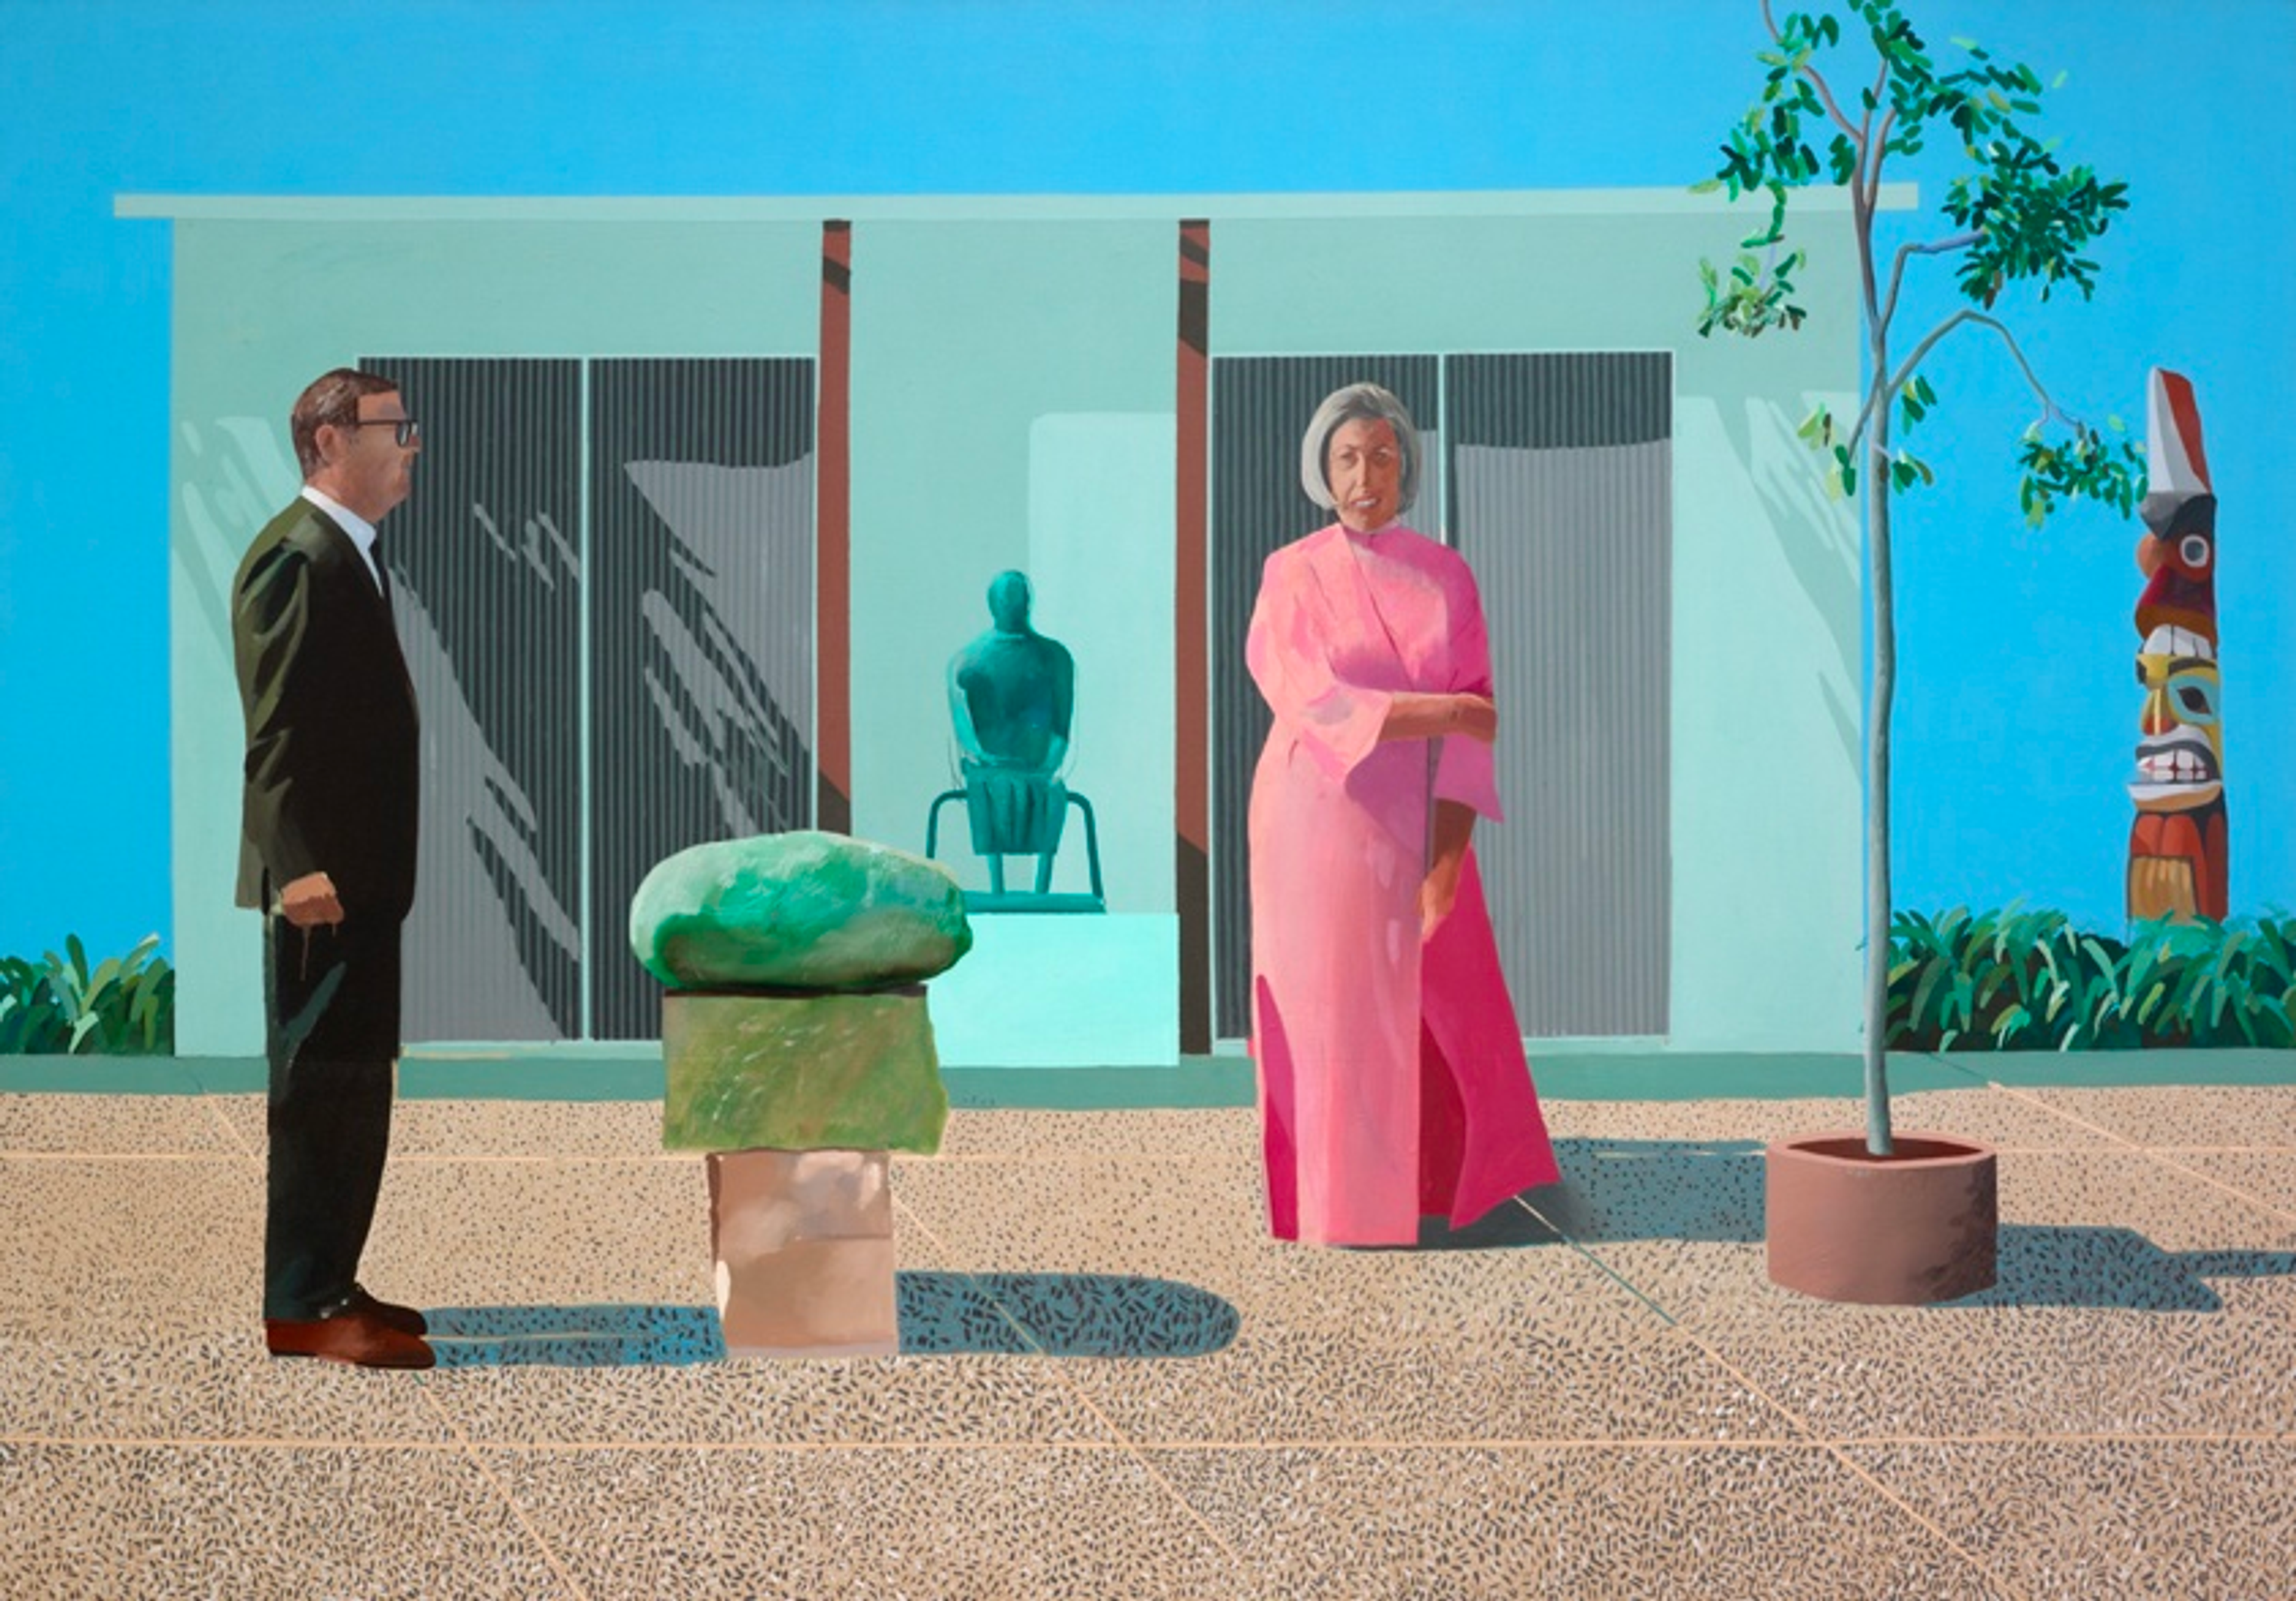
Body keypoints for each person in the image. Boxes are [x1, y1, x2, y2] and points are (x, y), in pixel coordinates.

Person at [1245, 382, 1559, 1246]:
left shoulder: (1445, 574)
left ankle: (1429, 1188)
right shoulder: (1290, 571)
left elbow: (1481, 713)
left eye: (1382, 454)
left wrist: (1450, 854)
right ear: (1322, 469)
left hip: (1418, 816)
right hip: (1315, 813)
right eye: (1347, 456)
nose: (1365, 473)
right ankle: (1334, 1201)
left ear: (1407, 465)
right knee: (1330, 1005)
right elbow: (1314, 697)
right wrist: (1445, 711)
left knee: (1430, 997)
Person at [231, 368, 432, 1368]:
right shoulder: (295, 557)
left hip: (364, 882)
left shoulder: (351, 555)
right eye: (395, 429)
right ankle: (303, 1303)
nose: (411, 446)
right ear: (327, 443)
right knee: (319, 1092)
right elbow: (275, 734)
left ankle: (334, 1279)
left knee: (355, 1086)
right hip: (323, 888)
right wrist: (298, 865)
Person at [947, 570, 1076, 889]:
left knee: (1041, 794)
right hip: (989, 775)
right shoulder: (965, 662)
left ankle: (1038, 884)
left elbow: (1061, 727)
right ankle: (1002, 884)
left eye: (1015, 599)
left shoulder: (1056, 658)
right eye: (1007, 600)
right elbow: (966, 734)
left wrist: (1043, 769)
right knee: (991, 792)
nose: (1011, 606)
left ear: (1028, 603)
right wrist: (991, 765)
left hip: (1038, 772)